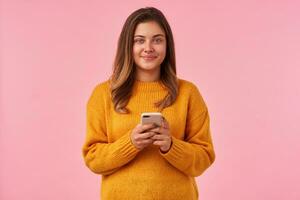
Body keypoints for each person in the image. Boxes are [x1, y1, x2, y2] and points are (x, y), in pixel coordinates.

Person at [82, 7, 215, 200]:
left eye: (157, 40)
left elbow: (204, 158)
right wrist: (130, 143)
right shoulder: (103, 94)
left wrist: (171, 146)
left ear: (167, 45)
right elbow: (93, 158)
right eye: (139, 40)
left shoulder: (188, 93)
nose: (149, 47)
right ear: (128, 45)